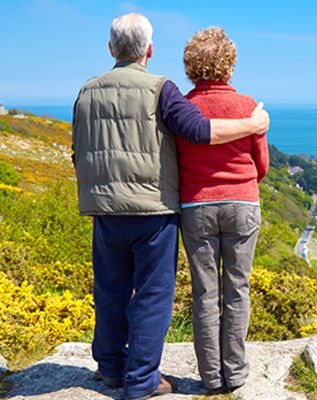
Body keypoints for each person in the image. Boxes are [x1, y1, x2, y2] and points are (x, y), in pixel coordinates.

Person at [71, 13, 269, 400]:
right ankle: (146, 379)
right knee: (154, 293)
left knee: (111, 290)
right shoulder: (161, 90)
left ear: (111, 48)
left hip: (108, 210)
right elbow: (199, 131)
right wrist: (253, 124)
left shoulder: (86, 91)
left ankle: (111, 368)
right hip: (154, 211)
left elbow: (79, 151)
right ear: (149, 50)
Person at [177, 27, 268, 394]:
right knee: (238, 289)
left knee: (204, 293)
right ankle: (236, 372)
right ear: (229, 63)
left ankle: (211, 377)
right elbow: (261, 165)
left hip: (196, 205)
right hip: (243, 200)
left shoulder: (181, 107)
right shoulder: (248, 107)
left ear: (190, 66)